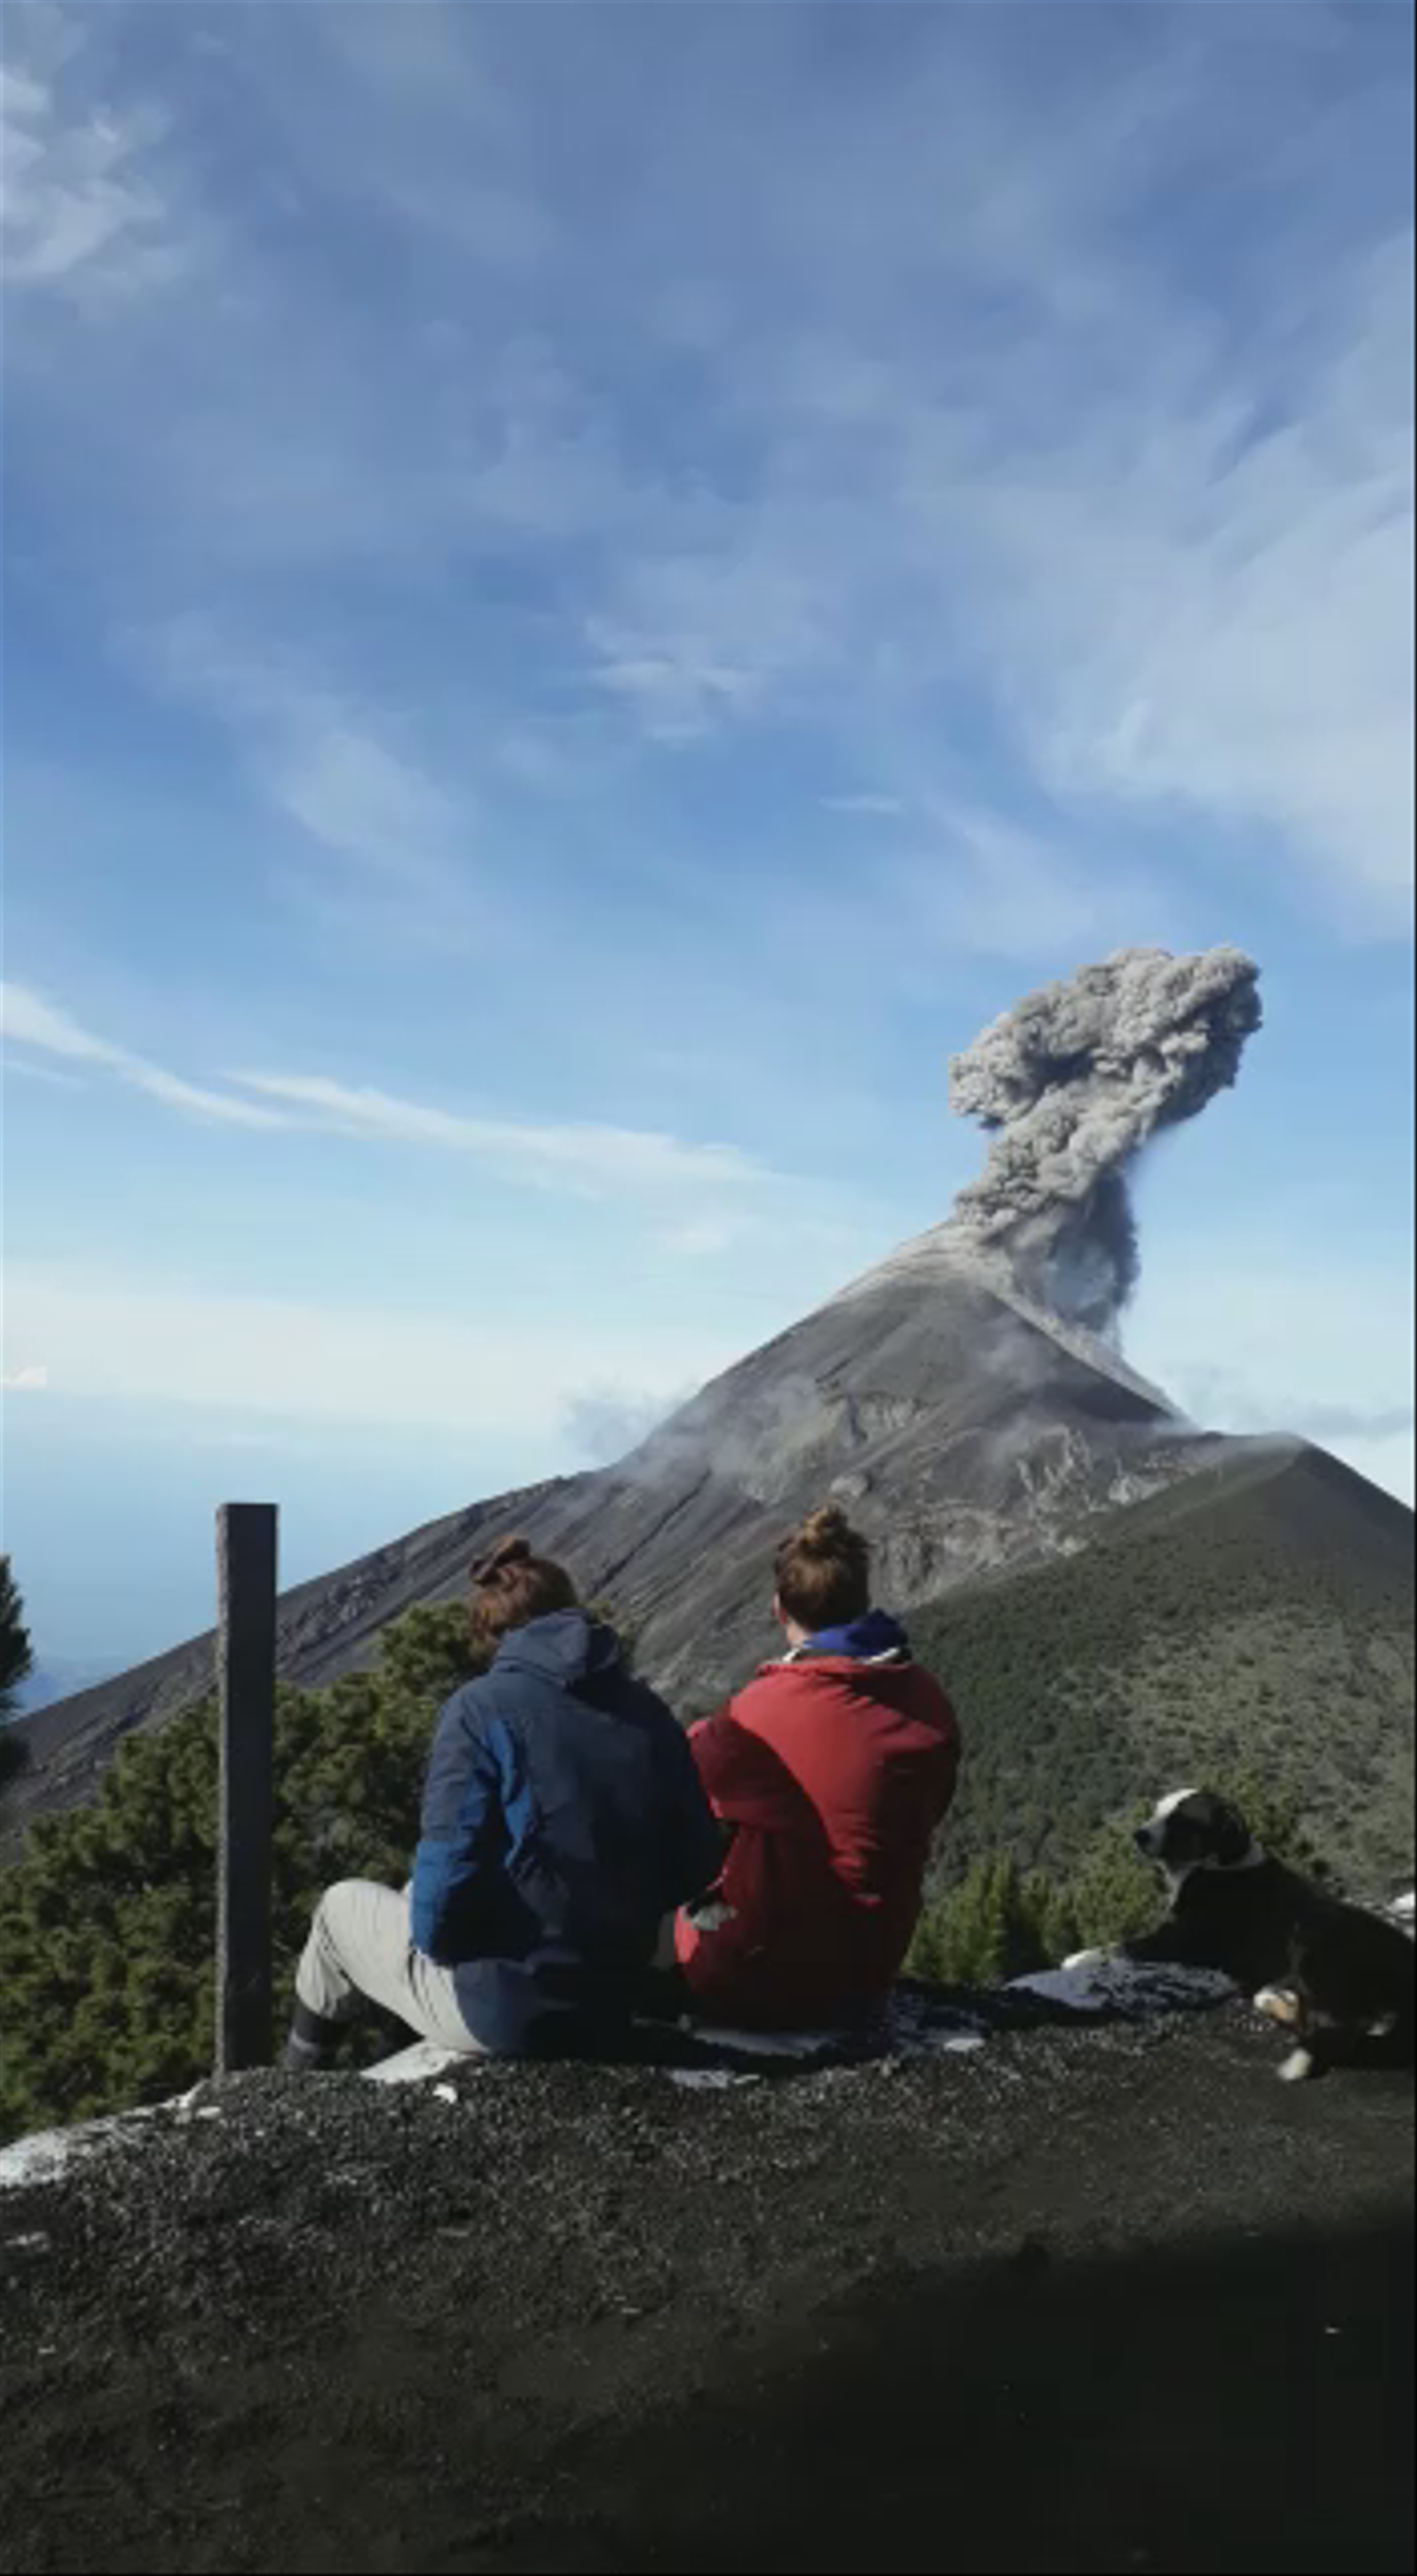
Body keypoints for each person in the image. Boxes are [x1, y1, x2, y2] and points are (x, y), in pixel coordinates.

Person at [285, 1537, 723, 2067]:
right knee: (414, 1888)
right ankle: (391, 2050)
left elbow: (439, 1920)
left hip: (512, 2010)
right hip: (618, 1994)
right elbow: (699, 1859)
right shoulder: (644, 1707)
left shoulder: (479, 1710)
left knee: (340, 1909)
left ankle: (293, 2089)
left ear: (491, 1634)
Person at [673, 1504, 960, 2030]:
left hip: (767, 1978)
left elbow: (681, 1777)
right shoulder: (925, 1697)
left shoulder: (763, 1710)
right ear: (864, 1598)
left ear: (779, 1608)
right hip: (872, 1969)